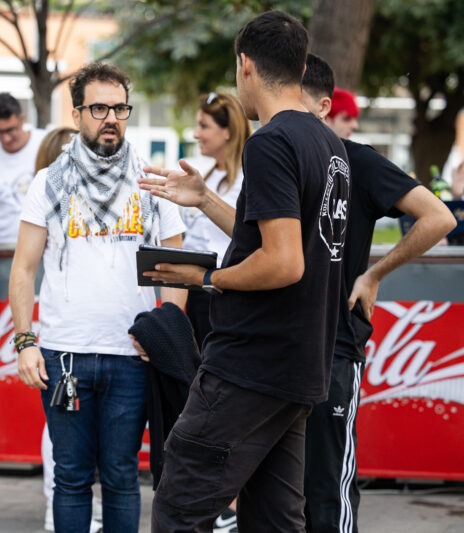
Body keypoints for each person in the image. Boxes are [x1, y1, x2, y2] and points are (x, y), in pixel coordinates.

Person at [139, 11, 350, 532]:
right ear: (300, 67)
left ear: (246, 66)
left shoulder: (270, 142)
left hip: (250, 365)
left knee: (178, 505)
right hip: (298, 367)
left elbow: (282, 262)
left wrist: (206, 280)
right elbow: (275, 240)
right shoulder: (329, 145)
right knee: (276, 522)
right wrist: (206, 199)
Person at [10, 61, 187, 533]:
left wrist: (166, 335)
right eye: (99, 108)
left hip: (132, 354)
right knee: (69, 479)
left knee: (121, 477)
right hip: (64, 353)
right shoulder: (48, 182)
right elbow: (24, 269)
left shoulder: (152, 181)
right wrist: (25, 342)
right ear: (78, 112)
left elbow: (174, 269)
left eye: (120, 108)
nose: (111, 117)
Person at [301, 53, 457, 533]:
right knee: (282, 489)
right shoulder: (274, 156)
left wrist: (374, 274)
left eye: (294, 103)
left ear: (325, 107)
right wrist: (205, 201)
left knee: (327, 490)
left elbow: (439, 217)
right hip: (280, 346)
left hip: (334, 347)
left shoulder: (357, 159)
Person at [32, 126, 102, 533]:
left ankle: (64, 503)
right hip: (63, 327)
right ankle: (54, 503)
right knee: (62, 424)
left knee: (73, 426)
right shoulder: (46, 196)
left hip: (94, 328)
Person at [182, 92, 251, 352]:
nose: (197, 134)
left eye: (204, 126)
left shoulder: (249, 178)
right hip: (196, 289)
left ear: (228, 131)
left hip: (226, 291)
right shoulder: (208, 178)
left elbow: (250, 235)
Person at [0, 92, 45, 242]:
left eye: (10, 130)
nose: (6, 138)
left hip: (46, 246)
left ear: (23, 119)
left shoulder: (45, 143)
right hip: (4, 247)